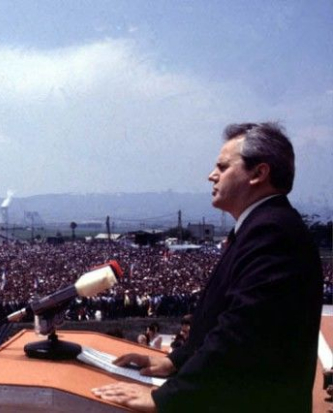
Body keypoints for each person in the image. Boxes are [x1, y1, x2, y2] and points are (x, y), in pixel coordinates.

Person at [92, 122, 323, 412]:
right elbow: (217, 319)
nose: (211, 176)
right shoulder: (259, 227)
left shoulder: (273, 232)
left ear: (259, 173)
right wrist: (174, 361)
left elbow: (242, 333)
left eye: (223, 167)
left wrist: (165, 398)